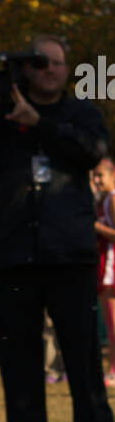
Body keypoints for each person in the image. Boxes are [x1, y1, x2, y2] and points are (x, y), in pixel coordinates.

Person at [0, 33, 113, 422]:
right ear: (24, 68)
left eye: (58, 63)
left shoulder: (79, 113)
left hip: (68, 251)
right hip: (11, 253)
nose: (51, 70)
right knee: (19, 352)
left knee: (80, 348)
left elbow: (94, 150)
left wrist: (39, 123)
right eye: (41, 64)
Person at [92, 157, 115, 386]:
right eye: (95, 176)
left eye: (101, 175)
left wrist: (94, 226)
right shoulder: (102, 200)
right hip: (104, 264)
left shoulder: (112, 199)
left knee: (113, 323)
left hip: (111, 267)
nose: (97, 180)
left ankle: (112, 371)